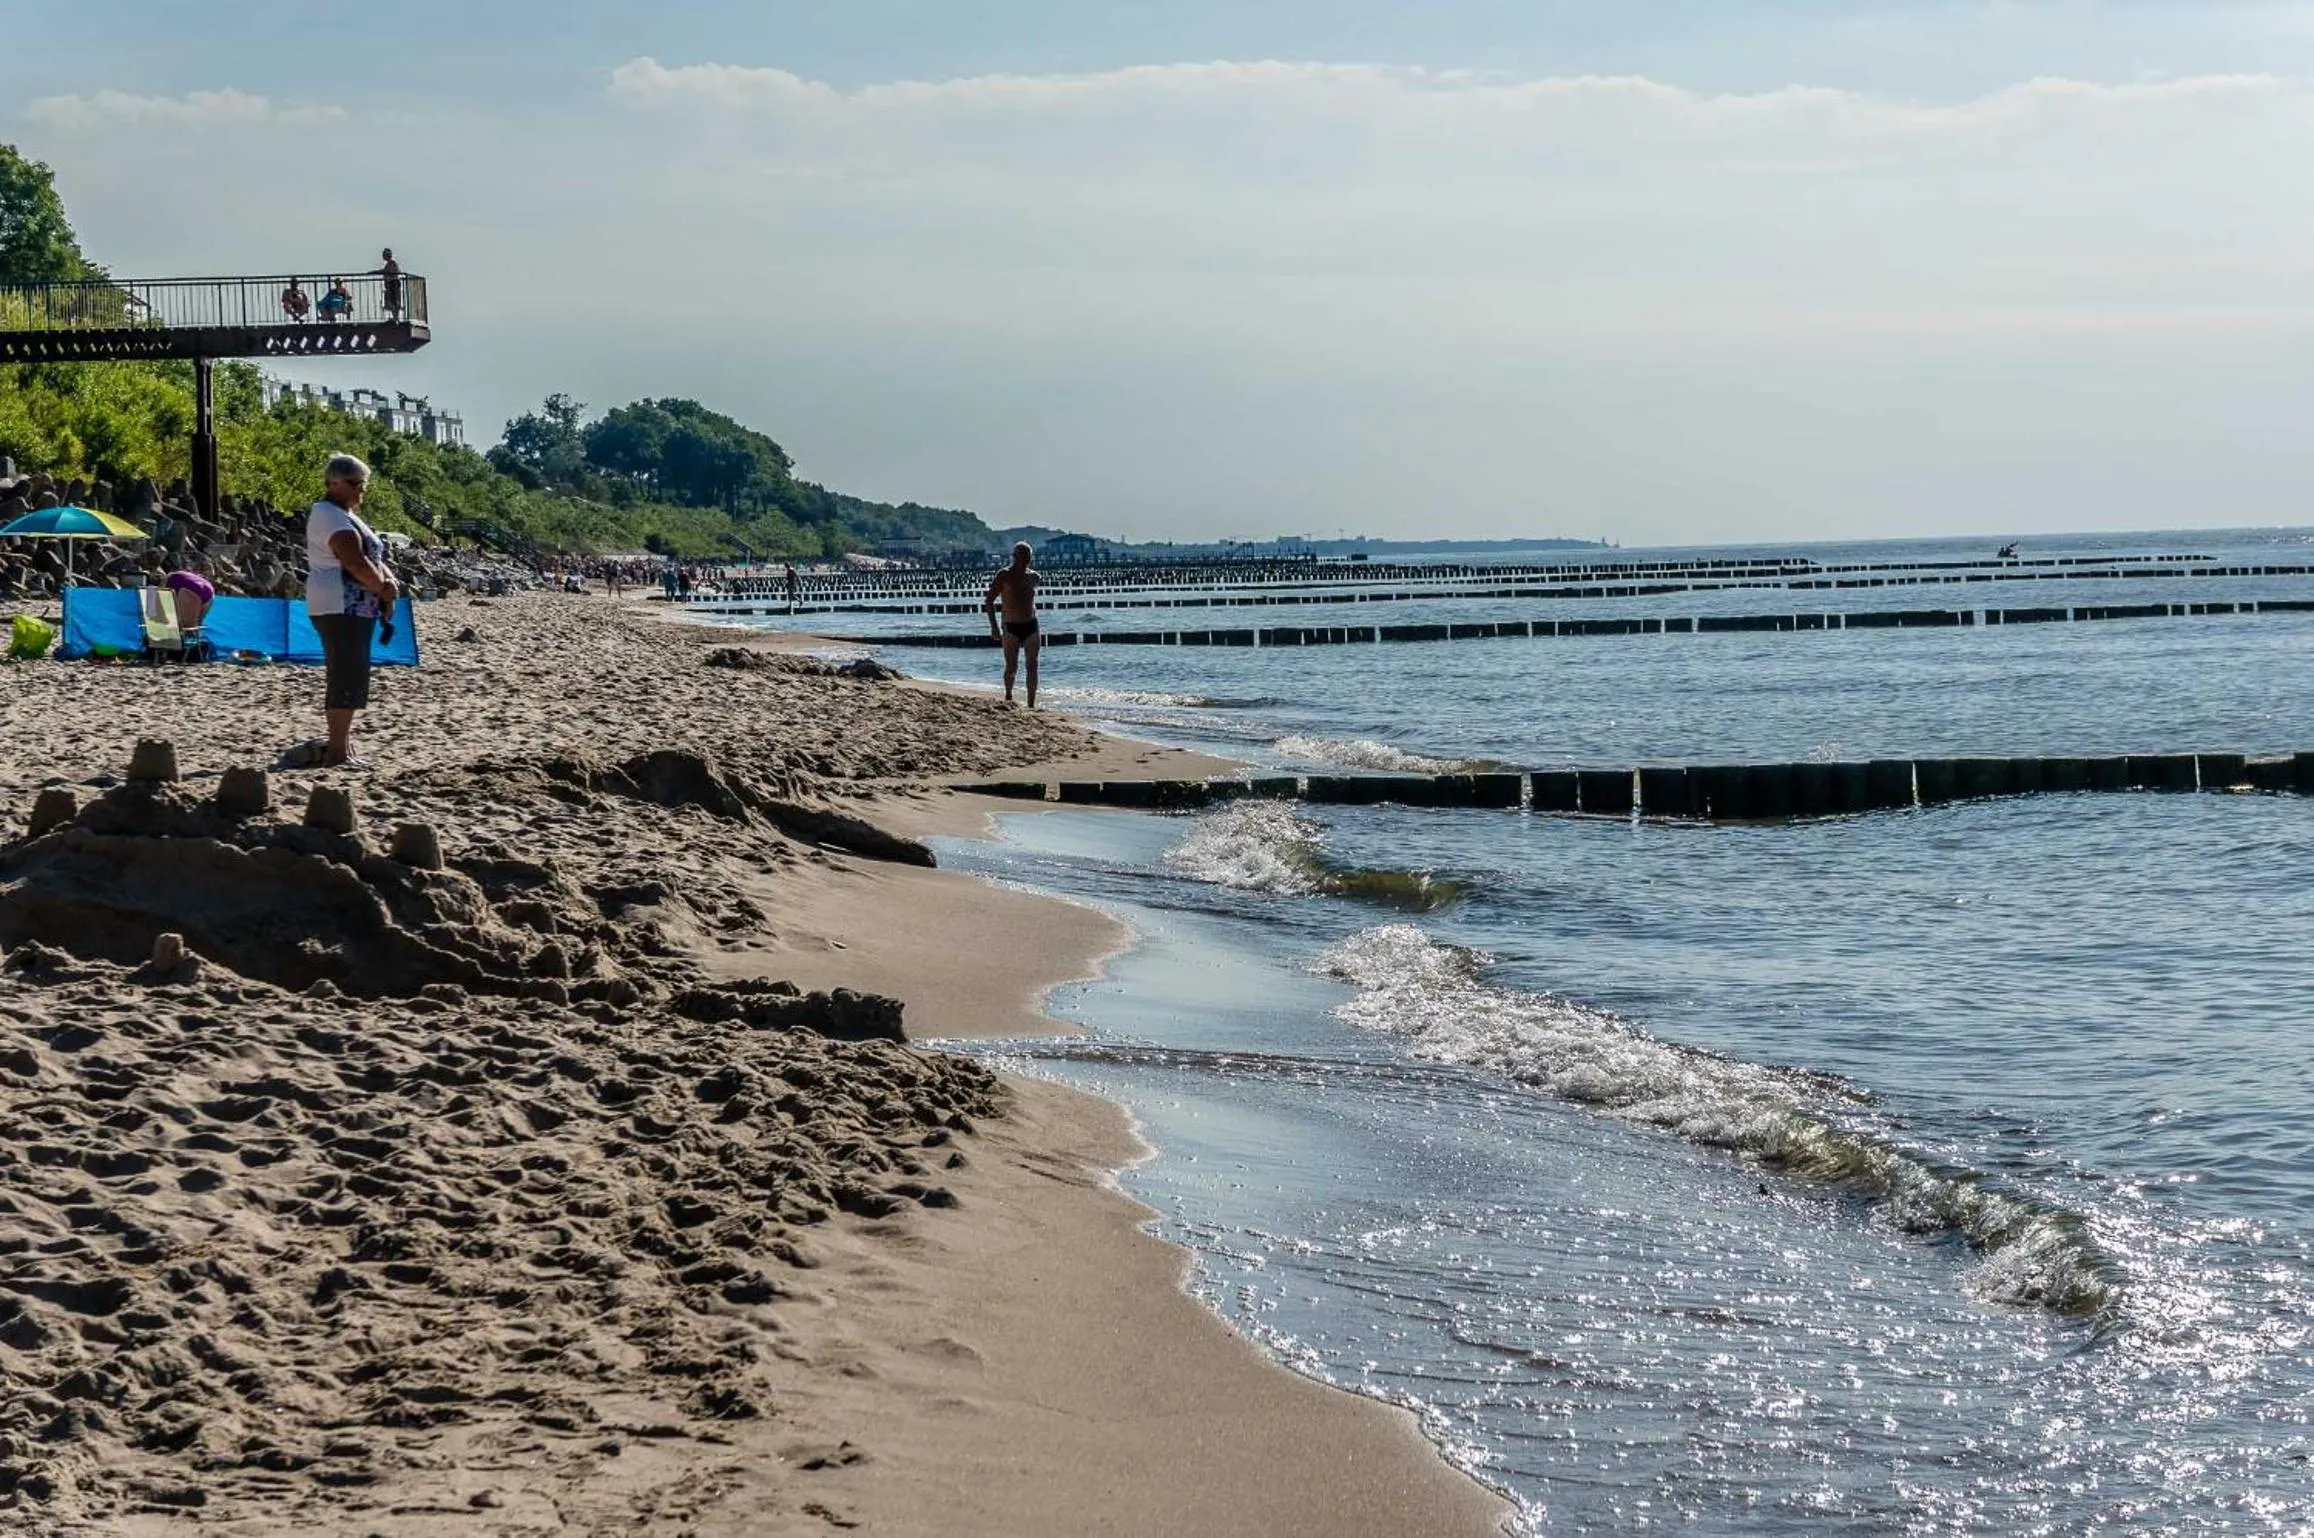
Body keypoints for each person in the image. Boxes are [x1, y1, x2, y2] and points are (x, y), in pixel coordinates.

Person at [306, 453, 399, 768]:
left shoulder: (343, 514)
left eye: (363, 483)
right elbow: (355, 562)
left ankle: (341, 746)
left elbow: (370, 559)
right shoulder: (330, 516)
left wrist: (388, 584)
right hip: (339, 604)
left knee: (353, 672)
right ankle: (337, 751)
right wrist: (382, 588)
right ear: (335, 483)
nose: (362, 489)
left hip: (354, 606)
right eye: (357, 483)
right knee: (346, 673)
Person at [984, 541, 1043, 707]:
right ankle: (1009, 696)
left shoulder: (1034, 577)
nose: (1024, 560)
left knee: (1032, 666)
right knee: (1011, 667)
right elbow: (989, 601)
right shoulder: (1004, 575)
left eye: (1027, 557)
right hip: (1010, 626)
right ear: (1014, 557)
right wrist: (994, 627)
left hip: (1031, 624)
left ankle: (1031, 704)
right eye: (1020, 557)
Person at [375, 248, 403, 319]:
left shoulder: (392, 263)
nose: (383, 256)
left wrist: (376, 272)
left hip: (393, 283)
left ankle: (396, 317)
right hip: (390, 284)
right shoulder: (389, 263)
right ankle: (395, 317)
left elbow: (389, 271)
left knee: (394, 301)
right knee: (391, 301)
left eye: (384, 255)